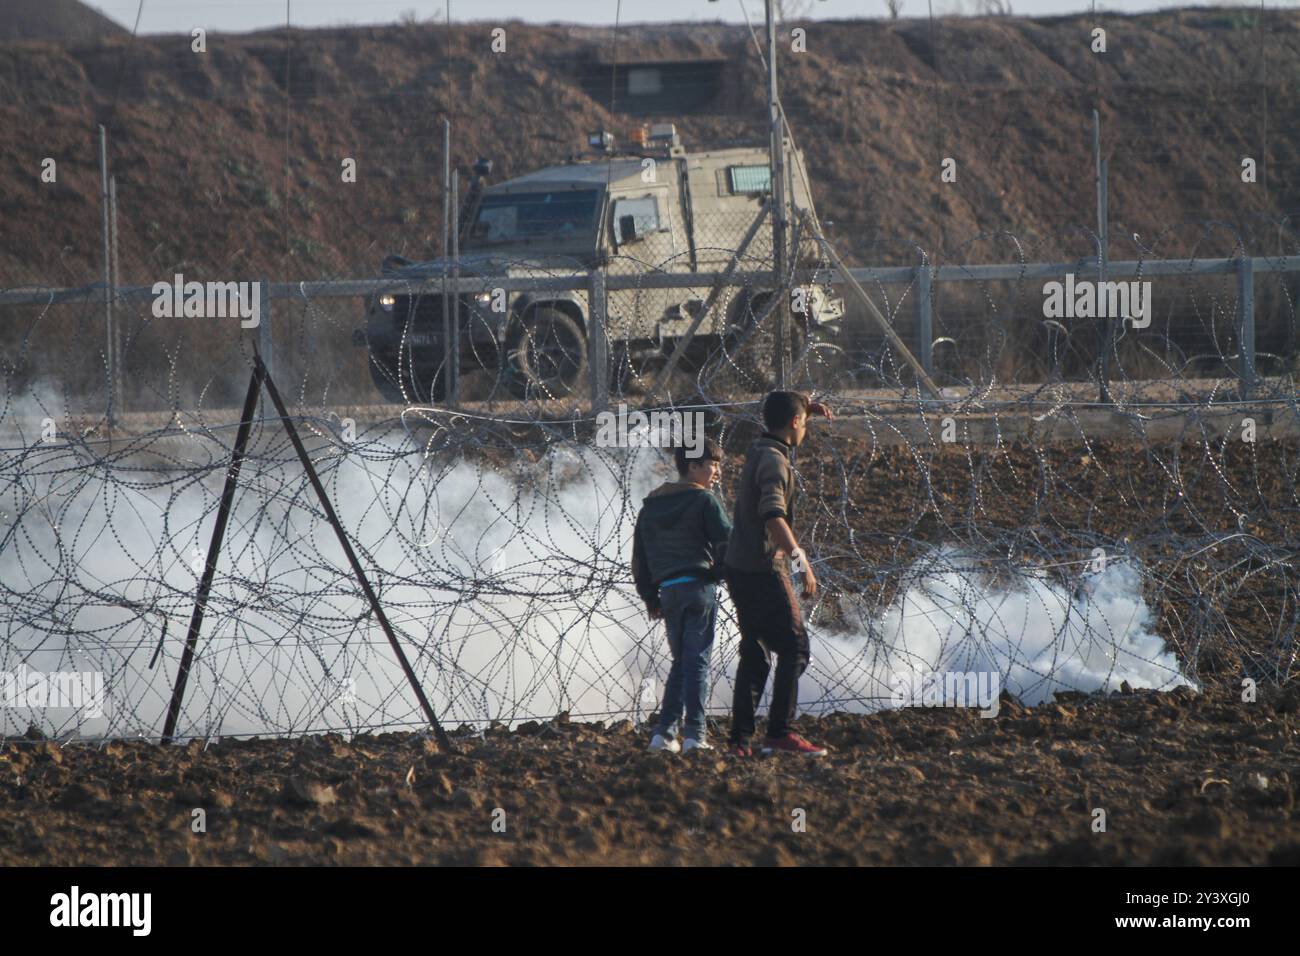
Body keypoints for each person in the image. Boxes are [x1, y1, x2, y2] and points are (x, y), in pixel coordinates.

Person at [724, 390, 834, 757]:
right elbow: (774, 515)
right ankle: (779, 733)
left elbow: (787, 411)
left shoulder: (761, 448)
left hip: (738, 567)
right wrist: (801, 562)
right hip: (763, 568)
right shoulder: (775, 462)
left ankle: (739, 742)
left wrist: (805, 408)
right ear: (795, 423)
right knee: (796, 648)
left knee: (756, 654)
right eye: (804, 421)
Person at [631, 438, 731, 754]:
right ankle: (694, 736)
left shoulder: (650, 506)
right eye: (712, 465)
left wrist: (650, 598)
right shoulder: (705, 501)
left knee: (681, 663)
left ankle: (663, 734)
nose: (716, 472)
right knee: (697, 661)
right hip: (699, 588)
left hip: (669, 592)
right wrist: (719, 574)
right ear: (693, 467)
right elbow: (728, 544)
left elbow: (640, 560)